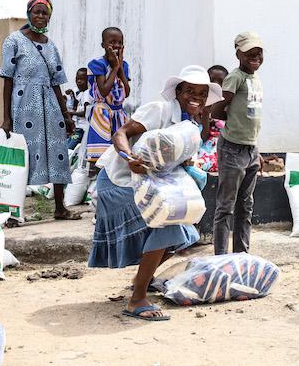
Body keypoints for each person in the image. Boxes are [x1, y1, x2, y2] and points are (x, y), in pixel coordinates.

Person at [89, 65, 223, 321]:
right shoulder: (159, 110)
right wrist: (129, 157)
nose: (195, 97)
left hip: (149, 184)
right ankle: (136, 299)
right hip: (120, 181)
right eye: (190, 91)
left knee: (184, 231)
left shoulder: (189, 126)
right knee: (166, 224)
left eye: (202, 93)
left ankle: (142, 279)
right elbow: (121, 133)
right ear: (178, 92)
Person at [0, 0, 79, 221]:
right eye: (37, 12)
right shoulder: (13, 41)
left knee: (58, 153)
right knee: (23, 157)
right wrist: (6, 118)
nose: (41, 16)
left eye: (45, 13)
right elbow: (7, 79)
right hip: (24, 106)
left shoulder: (51, 46)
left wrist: (66, 115)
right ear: (28, 13)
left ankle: (60, 208)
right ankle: (14, 213)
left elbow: (57, 83)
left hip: (51, 107)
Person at [210, 32, 264, 255]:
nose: (256, 55)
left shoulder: (254, 78)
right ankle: (221, 259)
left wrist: (255, 148)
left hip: (250, 149)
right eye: (250, 51)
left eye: (259, 52)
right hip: (232, 149)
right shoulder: (235, 77)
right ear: (238, 53)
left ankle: (242, 256)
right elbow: (217, 109)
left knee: (246, 206)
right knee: (226, 207)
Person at [86, 27, 131, 167]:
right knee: (100, 155)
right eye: (112, 42)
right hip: (102, 113)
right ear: (103, 45)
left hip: (119, 113)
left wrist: (120, 68)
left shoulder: (124, 65)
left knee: (119, 151)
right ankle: (95, 178)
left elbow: (127, 92)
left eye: (120, 42)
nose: (116, 46)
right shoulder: (97, 64)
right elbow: (104, 91)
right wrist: (115, 68)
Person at [66, 68, 92, 151]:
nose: (78, 81)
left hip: (82, 129)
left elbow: (86, 112)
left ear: (88, 81)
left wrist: (71, 113)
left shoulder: (87, 94)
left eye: (82, 79)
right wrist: (73, 96)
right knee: (67, 145)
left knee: (69, 148)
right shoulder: (81, 93)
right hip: (77, 128)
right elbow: (76, 106)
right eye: (77, 79)